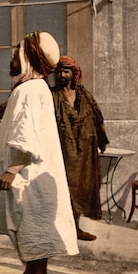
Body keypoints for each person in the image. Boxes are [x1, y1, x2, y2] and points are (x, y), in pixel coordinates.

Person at [0, 31, 78, 274]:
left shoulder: (30, 90)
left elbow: (27, 135)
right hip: (31, 169)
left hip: (30, 172)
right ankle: (30, 272)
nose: (11, 58)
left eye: (16, 52)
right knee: (25, 221)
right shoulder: (31, 88)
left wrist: (12, 169)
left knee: (31, 222)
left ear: (28, 57)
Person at [51, 55, 109, 241]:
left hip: (85, 148)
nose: (61, 75)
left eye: (66, 71)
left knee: (83, 187)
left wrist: (102, 140)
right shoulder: (52, 95)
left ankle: (76, 228)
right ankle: (63, 229)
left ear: (74, 74)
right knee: (64, 187)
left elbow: (96, 115)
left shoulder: (83, 94)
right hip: (63, 148)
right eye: (59, 71)